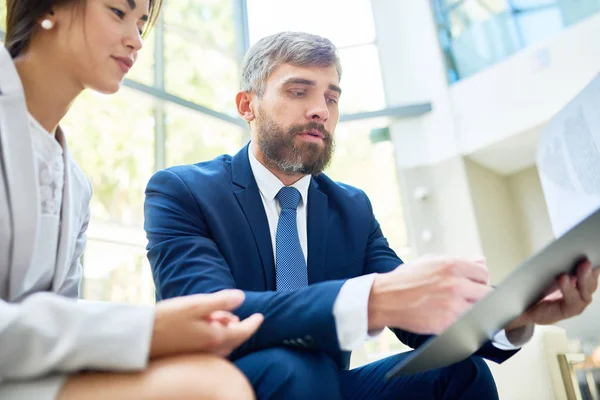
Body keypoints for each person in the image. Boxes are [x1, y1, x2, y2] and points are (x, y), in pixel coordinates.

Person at [143, 31, 600, 400]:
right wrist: (374, 297)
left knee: (460, 373)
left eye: (332, 97)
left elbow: (417, 314)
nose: (320, 109)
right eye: (299, 90)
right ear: (248, 105)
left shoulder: (351, 208)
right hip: (227, 388)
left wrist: (515, 313)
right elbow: (211, 318)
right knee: (292, 370)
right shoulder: (183, 191)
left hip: (326, 387)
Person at [0, 1, 264, 399]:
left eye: (141, 22)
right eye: (117, 12)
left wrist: (165, 334)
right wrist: (147, 330)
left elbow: (61, 317)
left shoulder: (75, 183)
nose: (137, 40)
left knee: (213, 378)